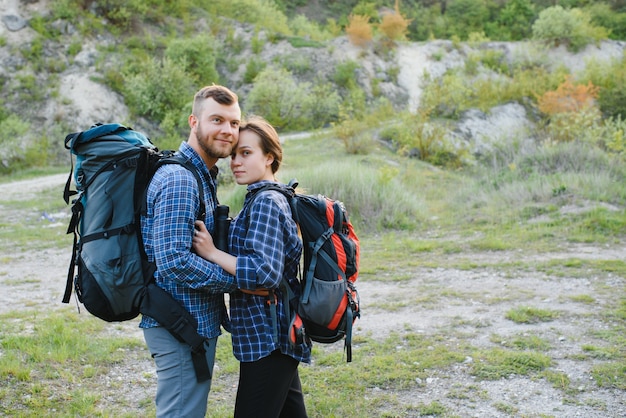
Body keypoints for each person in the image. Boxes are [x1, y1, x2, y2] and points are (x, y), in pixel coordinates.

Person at [193, 115, 311, 417]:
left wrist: (211, 253)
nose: (236, 162)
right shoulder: (266, 197)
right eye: (234, 155)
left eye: (246, 153)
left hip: (269, 338)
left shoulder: (266, 201)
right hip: (275, 333)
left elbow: (265, 273)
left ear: (269, 156)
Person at [140, 85, 241, 417]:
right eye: (217, 120)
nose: (227, 130)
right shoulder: (180, 179)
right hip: (179, 323)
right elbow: (173, 261)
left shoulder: (202, 176)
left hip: (190, 323)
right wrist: (235, 282)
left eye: (234, 123)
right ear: (194, 121)